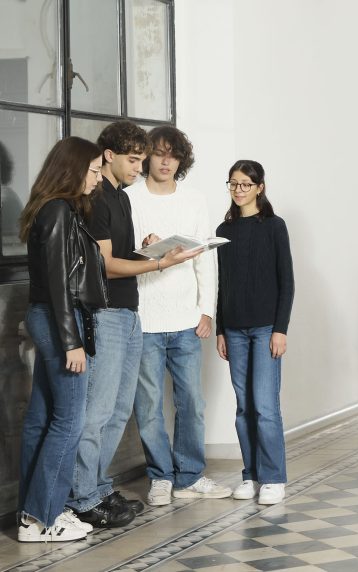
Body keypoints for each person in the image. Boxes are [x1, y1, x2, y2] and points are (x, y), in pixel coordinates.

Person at [70, 121, 196, 528]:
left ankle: (96, 488)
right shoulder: (96, 198)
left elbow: (120, 256)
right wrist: (160, 264)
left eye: (143, 160)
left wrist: (147, 250)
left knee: (120, 409)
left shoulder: (122, 198)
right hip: (105, 313)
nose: (140, 168)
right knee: (98, 411)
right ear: (109, 155)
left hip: (128, 311)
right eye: (134, 160)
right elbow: (105, 266)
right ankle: (82, 497)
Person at [128, 126, 231, 506]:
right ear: (147, 157)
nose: (166, 161)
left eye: (173, 155)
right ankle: (160, 477)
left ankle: (189, 476)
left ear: (181, 160)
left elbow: (206, 259)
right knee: (148, 405)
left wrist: (206, 310)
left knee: (192, 403)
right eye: (159, 153)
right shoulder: (129, 198)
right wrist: (143, 248)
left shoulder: (194, 200)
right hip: (144, 318)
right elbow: (115, 256)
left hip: (186, 319)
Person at [17, 137, 106, 542]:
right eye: (94, 169)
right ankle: (44, 517)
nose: (98, 177)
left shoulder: (55, 208)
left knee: (42, 417)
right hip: (60, 321)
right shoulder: (57, 211)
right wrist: (72, 341)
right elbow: (58, 284)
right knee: (69, 421)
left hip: (50, 318)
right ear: (73, 169)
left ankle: (32, 513)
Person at [215, 160, 295, 505]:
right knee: (244, 407)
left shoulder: (274, 226)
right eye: (233, 184)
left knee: (265, 405)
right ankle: (250, 475)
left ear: (260, 187)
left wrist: (280, 329)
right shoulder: (224, 230)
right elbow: (223, 283)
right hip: (233, 329)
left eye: (246, 184)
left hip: (265, 329)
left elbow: (287, 281)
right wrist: (220, 329)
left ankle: (274, 478)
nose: (239, 190)